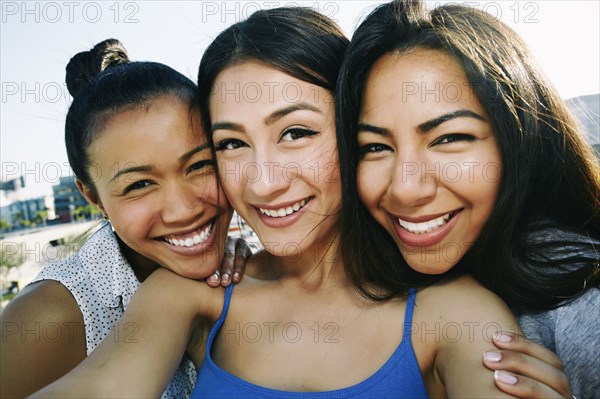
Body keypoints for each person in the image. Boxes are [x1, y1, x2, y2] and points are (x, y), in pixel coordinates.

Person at [31, 7, 572, 398]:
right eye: (231, 144)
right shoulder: (188, 297)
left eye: (295, 132)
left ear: (353, 127)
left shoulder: (453, 311)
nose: (263, 183)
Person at [335, 1, 599, 397]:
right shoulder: (365, 270)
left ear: (520, 140)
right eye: (375, 147)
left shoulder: (581, 305)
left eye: (449, 138)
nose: (405, 188)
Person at [0, 39, 251, 398]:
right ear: (92, 197)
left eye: (199, 166)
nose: (183, 209)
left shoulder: (245, 270)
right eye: (140, 184)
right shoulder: (47, 320)